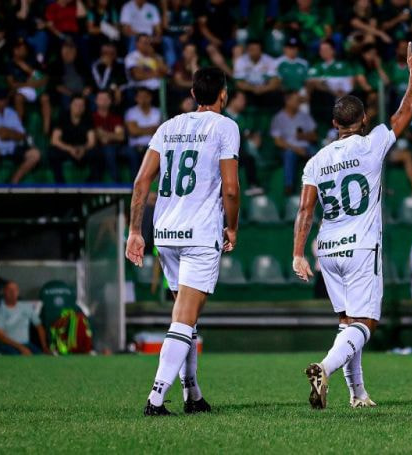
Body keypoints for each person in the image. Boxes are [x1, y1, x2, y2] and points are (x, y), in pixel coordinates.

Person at [291, 42, 412, 409]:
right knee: (365, 325)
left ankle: (357, 393)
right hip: (361, 246)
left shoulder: (316, 161)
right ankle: (325, 367)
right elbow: (408, 108)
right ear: (363, 120)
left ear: (335, 124)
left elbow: (304, 211)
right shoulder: (371, 144)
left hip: (328, 249)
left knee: (348, 323)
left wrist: (298, 254)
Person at [126, 67, 240, 416]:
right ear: (223, 94)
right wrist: (232, 227)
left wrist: (135, 231)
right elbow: (231, 187)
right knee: (184, 318)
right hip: (199, 233)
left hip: (166, 233)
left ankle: (192, 393)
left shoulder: (168, 126)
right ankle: (156, 399)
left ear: (193, 93)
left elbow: (141, 182)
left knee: (185, 316)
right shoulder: (225, 126)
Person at [0, 87, 41, 184]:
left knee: (35, 154)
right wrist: (10, 133)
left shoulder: (11, 113)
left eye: (4, 99)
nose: (3, 102)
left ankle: (14, 181)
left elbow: (22, 135)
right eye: (0, 99)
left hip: (11, 147)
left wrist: (8, 133)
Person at [270, 91, 318, 195]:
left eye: (299, 101)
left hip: (306, 146)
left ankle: (321, 185)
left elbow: (314, 136)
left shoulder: (304, 116)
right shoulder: (278, 118)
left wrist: (303, 136)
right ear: (287, 101)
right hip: (289, 148)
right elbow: (278, 142)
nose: (298, 103)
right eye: (296, 101)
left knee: (318, 154)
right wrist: (296, 149)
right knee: (289, 155)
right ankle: (289, 187)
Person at [0, 281, 50, 355]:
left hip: (26, 344)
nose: (12, 292)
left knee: (42, 358)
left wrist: (44, 347)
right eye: (9, 290)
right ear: (4, 292)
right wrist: (21, 348)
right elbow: (0, 336)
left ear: (18, 292)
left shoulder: (26, 307)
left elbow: (39, 326)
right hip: (7, 345)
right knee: (19, 358)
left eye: (15, 290)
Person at [49, 94, 96, 183]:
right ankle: (60, 184)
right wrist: (70, 149)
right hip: (66, 149)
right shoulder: (62, 117)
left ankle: (91, 183)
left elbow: (91, 142)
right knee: (52, 153)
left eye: (81, 105)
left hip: (82, 150)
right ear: (70, 105)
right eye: (76, 104)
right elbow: (54, 140)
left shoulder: (88, 119)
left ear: (85, 107)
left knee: (96, 153)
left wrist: (83, 149)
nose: (78, 107)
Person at [92, 90, 133, 182]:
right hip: (97, 148)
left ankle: (135, 184)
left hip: (117, 147)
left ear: (110, 101)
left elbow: (121, 137)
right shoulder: (91, 117)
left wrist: (104, 134)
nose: (103, 101)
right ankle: (117, 182)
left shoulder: (115, 117)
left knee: (131, 152)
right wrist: (111, 135)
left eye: (105, 99)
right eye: (100, 99)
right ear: (96, 101)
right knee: (108, 150)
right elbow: (97, 137)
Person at [233, 39, 282, 110]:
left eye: (255, 49)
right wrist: (253, 89)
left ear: (261, 51)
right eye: (251, 49)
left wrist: (263, 89)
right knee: (240, 94)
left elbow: (275, 82)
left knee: (276, 94)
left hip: (265, 90)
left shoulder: (269, 60)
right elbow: (239, 83)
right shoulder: (241, 61)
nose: (253, 52)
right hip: (248, 90)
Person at [125, 88, 161, 179]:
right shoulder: (131, 112)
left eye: (145, 97)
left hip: (153, 147)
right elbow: (133, 132)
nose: (143, 99)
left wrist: (139, 129)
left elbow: (160, 132)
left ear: (150, 98)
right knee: (132, 154)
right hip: (135, 147)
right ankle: (133, 186)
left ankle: (155, 187)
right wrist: (152, 129)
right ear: (136, 98)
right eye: (140, 97)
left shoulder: (157, 112)